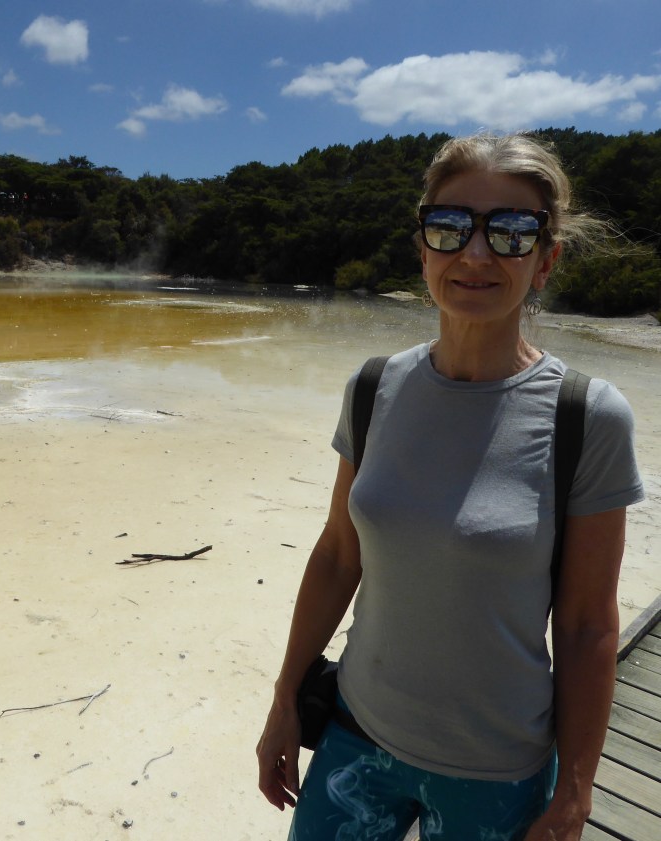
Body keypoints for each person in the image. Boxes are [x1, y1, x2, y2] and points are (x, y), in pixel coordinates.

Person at [256, 132, 644, 841]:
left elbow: (589, 626)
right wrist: (285, 695)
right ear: (423, 247)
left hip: (497, 773)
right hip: (355, 736)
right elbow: (339, 555)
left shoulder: (587, 416)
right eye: (450, 226)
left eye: (511, 232)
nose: (475, 254)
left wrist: (577, 791)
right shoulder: (374, 387)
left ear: (546, 261)